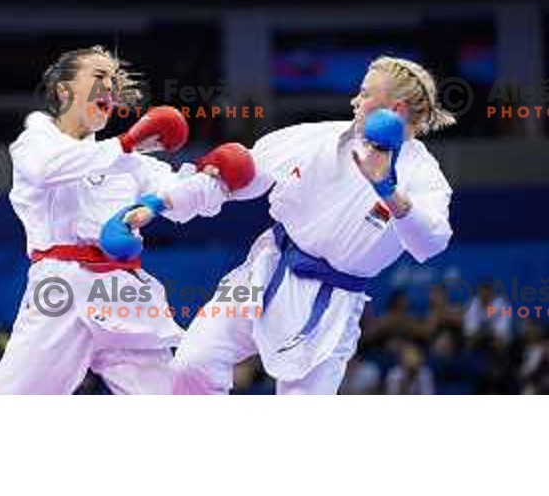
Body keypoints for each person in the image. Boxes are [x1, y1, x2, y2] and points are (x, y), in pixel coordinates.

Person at [167, 56, 456, 395]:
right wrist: (171, 197)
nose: (355, 100)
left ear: (396, 108)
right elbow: (246, 174)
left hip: (334, 305)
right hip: (263, 270)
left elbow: (431, 242)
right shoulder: (318, 137)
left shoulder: (422, 174)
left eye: (364, 94)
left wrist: (388, 191)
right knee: (190, 364)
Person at [0, 46, 253, 395]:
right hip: (59, 290)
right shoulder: (35, 142)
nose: (109, 88)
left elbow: (181, 198)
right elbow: (47, 169)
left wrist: (215, 177)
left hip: (120, 291)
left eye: (113, 81)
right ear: (64, 91)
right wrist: (127, 143)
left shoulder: (131, 162)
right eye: (99, 77)